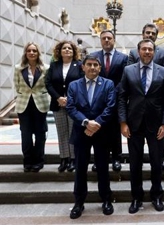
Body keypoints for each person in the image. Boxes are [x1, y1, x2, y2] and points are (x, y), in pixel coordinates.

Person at [118, 39, 164, 214]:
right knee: (135, 164)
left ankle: (156, 195)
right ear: (138, 51)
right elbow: (121, 98)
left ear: (154, 52)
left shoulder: (163, 72)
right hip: (133, 125)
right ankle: (136, 197)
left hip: (156, 125)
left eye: (150, 49)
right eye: (144, 49)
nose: (147, 52)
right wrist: (123, 122)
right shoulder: (128, 71)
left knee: (157, 163)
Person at [66, 55, 115, 219]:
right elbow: (71, 108)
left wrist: (96, 124)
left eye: (96, 65)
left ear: (100, 68)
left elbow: (110, 107)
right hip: (82, 132)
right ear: (83, 67)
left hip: (101, 133)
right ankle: (78, 202)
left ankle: (106, 200)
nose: (92, 67)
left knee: (102, 168)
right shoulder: (74, 85)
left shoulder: (108, 84)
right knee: (80, 169)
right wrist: (86, 123)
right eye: (89, 65)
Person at [128, 23, 164, 171]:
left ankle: (162, 162)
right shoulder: (133, 54)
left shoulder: (162, 53)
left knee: (157, 156)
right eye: (148, 33)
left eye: (153, 33)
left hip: (155, 113)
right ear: (143, 34)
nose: (150, 35)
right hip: (136, 115)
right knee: (135, 160)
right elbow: (129, 80)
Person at [91, 30, 128, 172]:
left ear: (114, 40)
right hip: (97, 99)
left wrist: (112, 92)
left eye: (109, 38)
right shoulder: (94, 57)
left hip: (117, 98)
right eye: (104, 38)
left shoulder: (123, 58)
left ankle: (116, 158)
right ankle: (100, 159)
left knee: (114, 130)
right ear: (100, 40)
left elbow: (124, 78)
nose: (107, 40)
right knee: (98, 130)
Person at [45, 40, 83, 173]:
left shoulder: (79, 65)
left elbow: (82, 83)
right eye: (64, 48)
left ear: (74, 52)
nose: (67, 50)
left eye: (70, 49)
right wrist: (58, 98)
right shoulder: (54, 66)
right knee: (62, 132)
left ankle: (73, 159)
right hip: (58, 104)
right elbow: (48, 83)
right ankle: (64, 158)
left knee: (73, 132)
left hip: (74, 105)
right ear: (59, 51)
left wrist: (70, 99)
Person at [14, 42, 49, 173]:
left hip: (40, 103)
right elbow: (17, 85)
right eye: (29, 50)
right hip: (24, 104)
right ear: (26, 53)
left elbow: (47, 85)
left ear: (38, 53)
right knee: (26, 134)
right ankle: (27, 160)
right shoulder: (18, 68)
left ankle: (39, 161)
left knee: (40, 134)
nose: (32, 53)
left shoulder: (45, 68)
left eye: (34, 50)